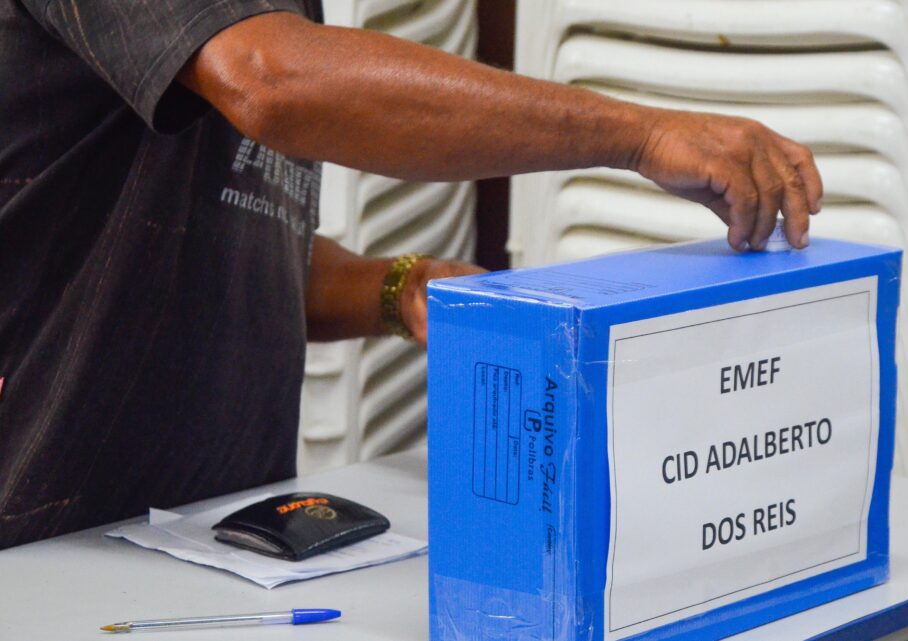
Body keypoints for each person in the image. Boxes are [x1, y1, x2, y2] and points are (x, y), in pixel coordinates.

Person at [0, 1, 823, 549]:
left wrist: (399, 289)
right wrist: (641, 135)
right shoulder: (258, 47)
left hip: (207, 540)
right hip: (42, 549)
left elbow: (233, 239)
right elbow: (270, 82)